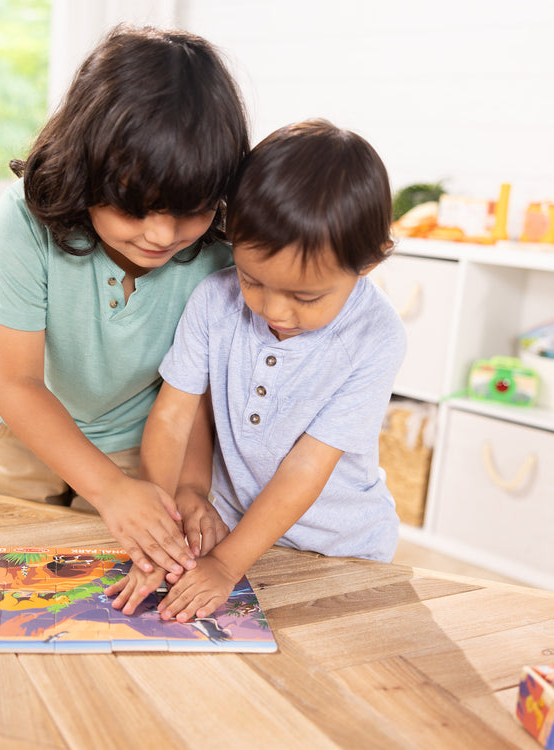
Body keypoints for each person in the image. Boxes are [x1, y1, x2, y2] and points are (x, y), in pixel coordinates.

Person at [0, 24, 249, 578]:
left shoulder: (218, 254)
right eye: (136, 209)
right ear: (86, 172)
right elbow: (16, 383)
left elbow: (192, 392)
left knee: (106, 586)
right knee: (9, 571)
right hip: (28, 430)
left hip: (141, 446)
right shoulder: (24, 222)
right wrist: (105, 489)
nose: (161, 235)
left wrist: (184, 487)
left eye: (191, 210)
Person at [106, 119, 407, 620]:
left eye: (306, 297)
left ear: (368, 264)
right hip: (225, 526)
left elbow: (306, 468)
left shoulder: (376, 336)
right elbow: (173, 416)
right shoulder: (213, 299)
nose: (275, 311)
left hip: (338, 547)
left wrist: (226, 565)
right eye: (252, 280)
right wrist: (165, 524)